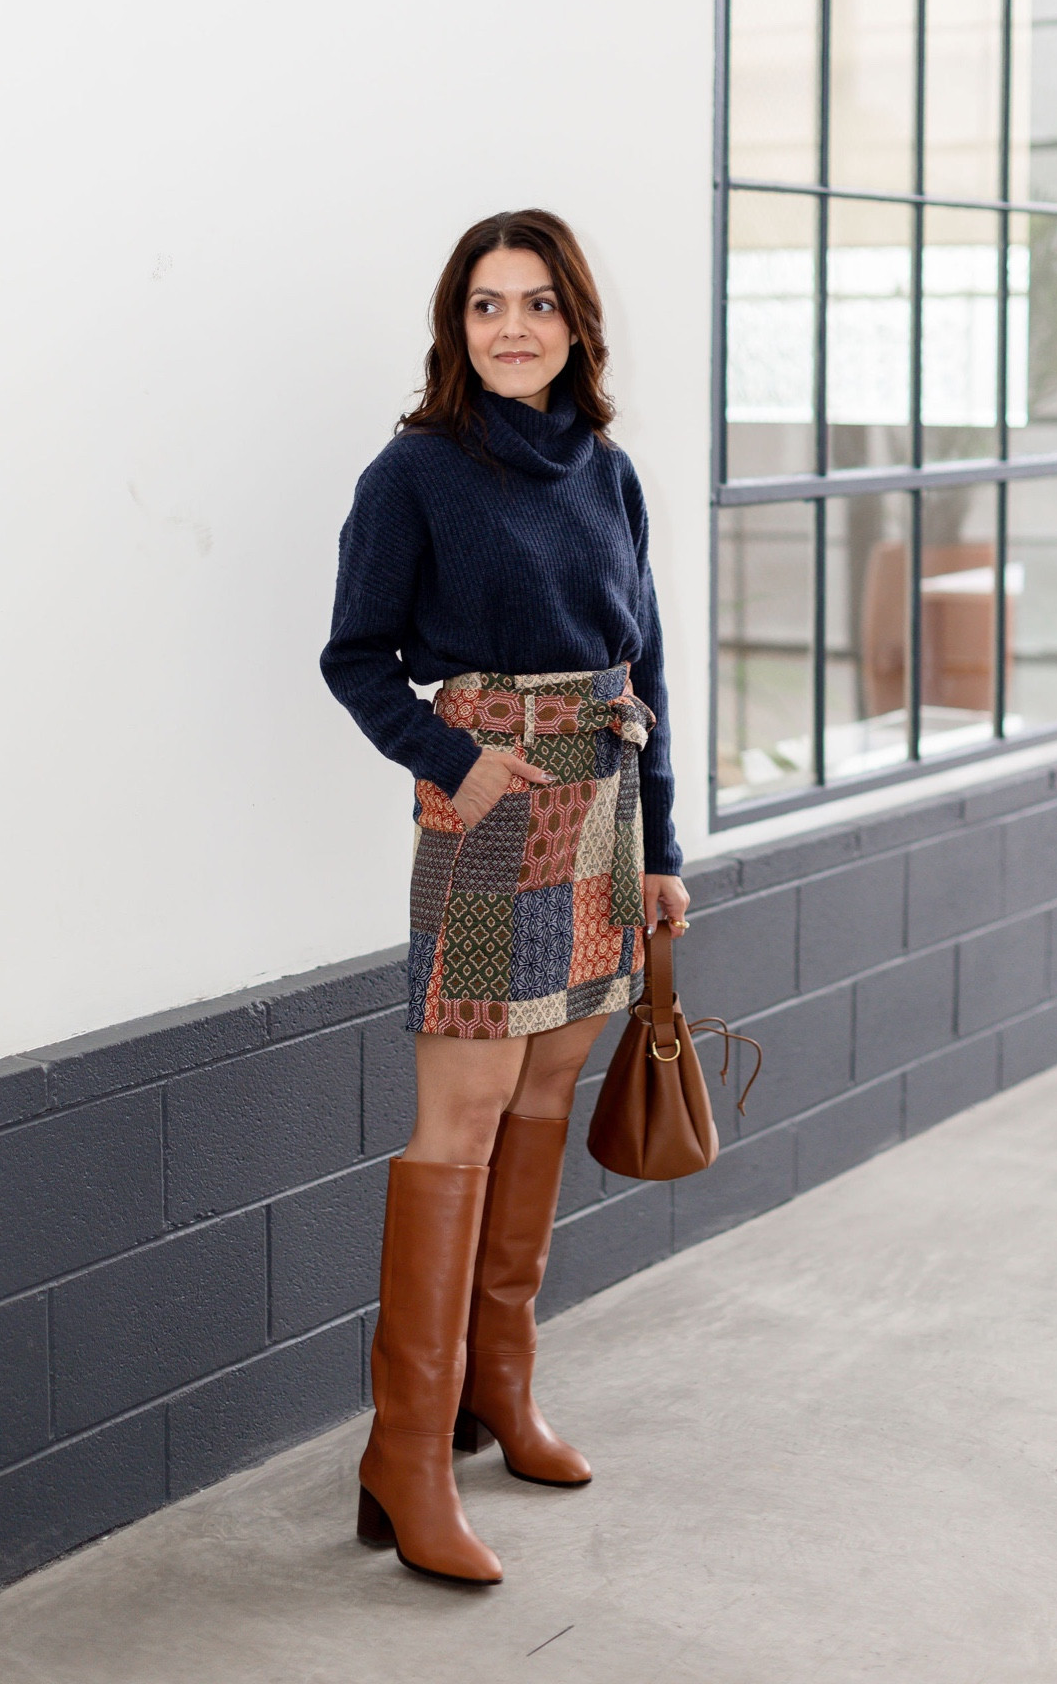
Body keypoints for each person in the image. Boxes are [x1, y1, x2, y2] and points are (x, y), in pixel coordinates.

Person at [320, 208, 689, 1586]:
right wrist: (451, 763)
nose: (513, 327)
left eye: (538, 302)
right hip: (489, 821)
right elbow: (355, 657)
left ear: (577, 324)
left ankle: (499, 1388)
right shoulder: (414, 472)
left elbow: (647, 668)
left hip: (603, 807)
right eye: (487, 304)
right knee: (460, 1119)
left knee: (544, 1094)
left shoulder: (609, 471)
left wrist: (661, 851)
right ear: (456, 326)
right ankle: (405, 1455)